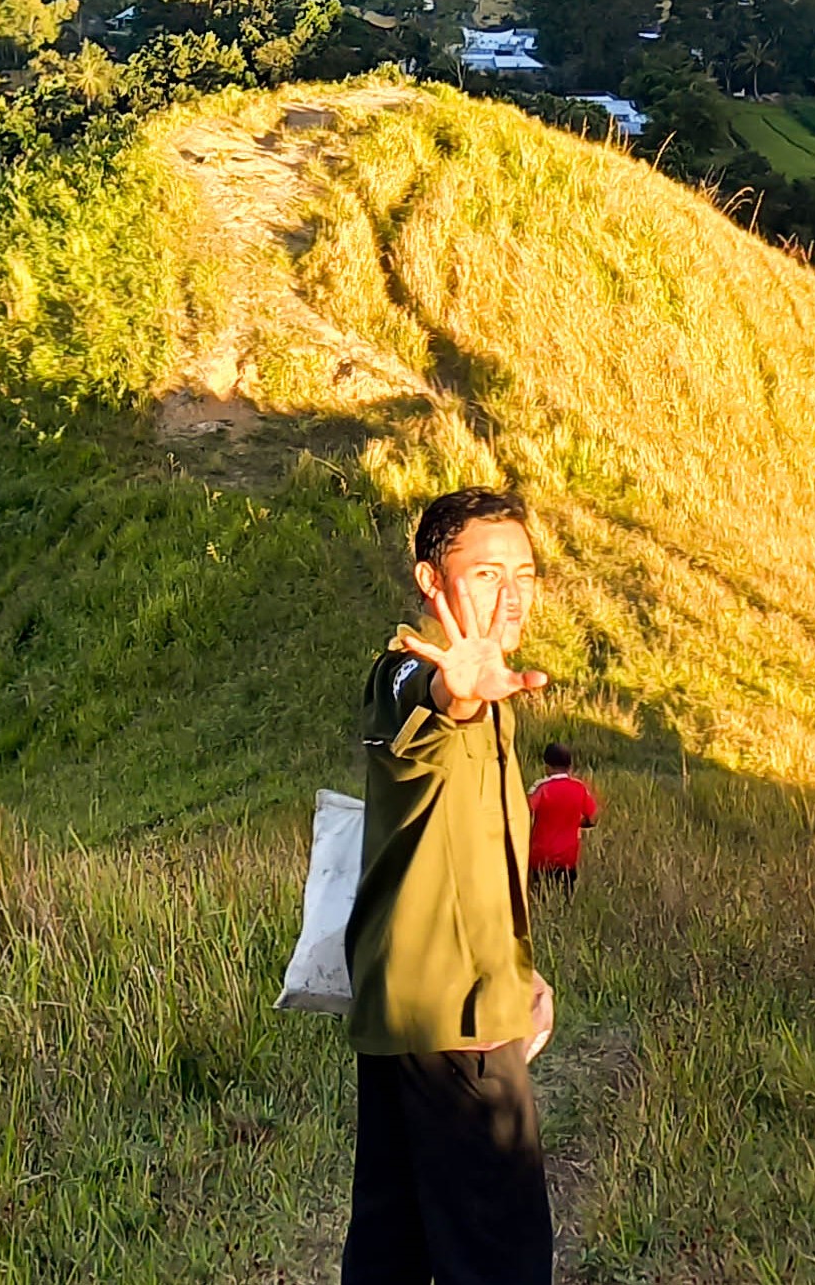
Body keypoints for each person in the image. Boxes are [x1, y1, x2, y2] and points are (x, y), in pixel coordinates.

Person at [341, 486, 556, 1285]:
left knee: (391, 1244)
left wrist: (521, 968)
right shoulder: (409, 673)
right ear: (431, 581)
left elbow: (471, 858)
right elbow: (422, 706)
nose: (509, 596)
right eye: (486, 573)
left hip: (409, 1008)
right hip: (458, 1027)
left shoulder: (494, 697)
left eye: (524, 575)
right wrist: (455, 691)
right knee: (498, 1256)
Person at [526, 742, 597, 888]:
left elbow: (525, 811)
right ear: (570, 767)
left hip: (541, 857)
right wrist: (574, 823)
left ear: (547, 766)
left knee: (540, 898)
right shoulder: (579, 788)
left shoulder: (541, 787)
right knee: (566, 901)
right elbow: (593, 818)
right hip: (568, 858)